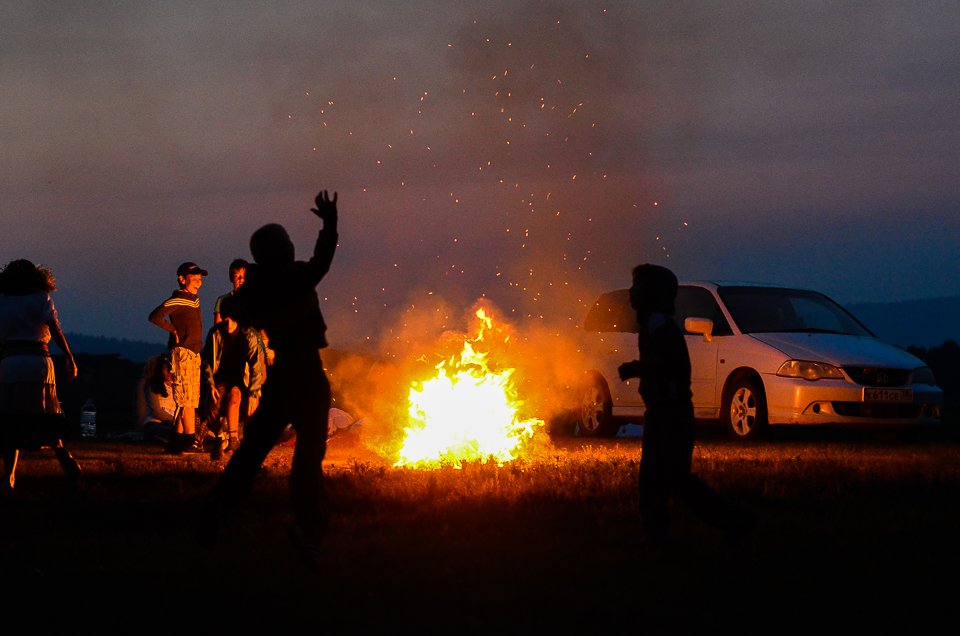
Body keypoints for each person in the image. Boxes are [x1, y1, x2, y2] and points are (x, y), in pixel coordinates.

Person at [195, 190, 338, 572]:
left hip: (280, 379)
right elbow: (323, 260)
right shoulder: (298, 278)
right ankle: (308, 531)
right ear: (284, 251)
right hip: (308, 375)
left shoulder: (257, 289)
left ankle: (218, 502)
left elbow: (235, 306)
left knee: (252, 450)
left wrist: (254, 302)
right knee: (308, 458)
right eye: (287, 243)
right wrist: (329, 223)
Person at [618, 263, 754, 548]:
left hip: (671, 412)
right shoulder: (653, 324)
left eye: (638, 285)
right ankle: (656, 536)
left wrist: (638, 368)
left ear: (654, 293)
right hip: (661, 412)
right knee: (652, 478)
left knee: (675, 478)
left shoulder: (658, 325)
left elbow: (674, 364)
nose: (631, 291)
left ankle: (735, 519)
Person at [0, 260, 80, 489]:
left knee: (10, 418)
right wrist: (69, 357)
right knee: (44, 411)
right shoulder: (41, 298)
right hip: (38, 362)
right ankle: (58, 447)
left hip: (11, 362)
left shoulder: (2, 300)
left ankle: (9, 477)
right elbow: (54, 327)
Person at [148, 262, 207, 454]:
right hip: (182, 353)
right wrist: (173, 329)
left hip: (193, 353)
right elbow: (155, 316)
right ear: (182, 279)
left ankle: (177, 442)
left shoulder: (193, 300)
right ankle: (190, 441)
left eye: (199, 279)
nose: (198, 282)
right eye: (193, 278)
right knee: (186, 400)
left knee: (189, 399)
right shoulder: (178, 299)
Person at [199, 295, 263, 460]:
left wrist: (254, 393)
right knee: (211, 406)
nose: (227, 321)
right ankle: (219, 436)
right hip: (219, 377)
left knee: (241, 400)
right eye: (225, 316)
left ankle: (238, 442)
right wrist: (210, 384)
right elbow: (206, 361)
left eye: (231, 317)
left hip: (241, 377)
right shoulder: (215, 333)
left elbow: (255, 365)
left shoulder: (248, 334)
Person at [140, 354, 176, 444]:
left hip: (173, 423)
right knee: (172, 433)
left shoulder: (177, 387)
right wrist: (174, 419)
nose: (168, 371)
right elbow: (156, 412)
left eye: (170, 368)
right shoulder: (153, 386)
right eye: (165, 368)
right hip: (155, 423)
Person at [213, 259, 247, 324]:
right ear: (231, 278)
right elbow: (217, 325)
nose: (241, 279)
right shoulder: (222, 300)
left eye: (244, 276)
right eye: (237, 276)